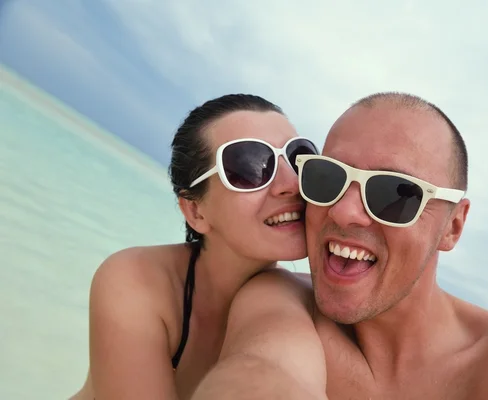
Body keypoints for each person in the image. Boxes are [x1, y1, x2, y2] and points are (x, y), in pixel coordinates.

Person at [193, 92, 488, 400]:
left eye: (395, 193)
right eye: (327, 178)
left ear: (452, 227)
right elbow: (263, 369)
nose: (345, 212)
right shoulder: (279, 300)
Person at [69, 94, 319, 400]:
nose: (291, 182)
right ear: (195, 211)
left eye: (298, 159)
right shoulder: (137, 281)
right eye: (250, 167)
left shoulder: (312, 301)